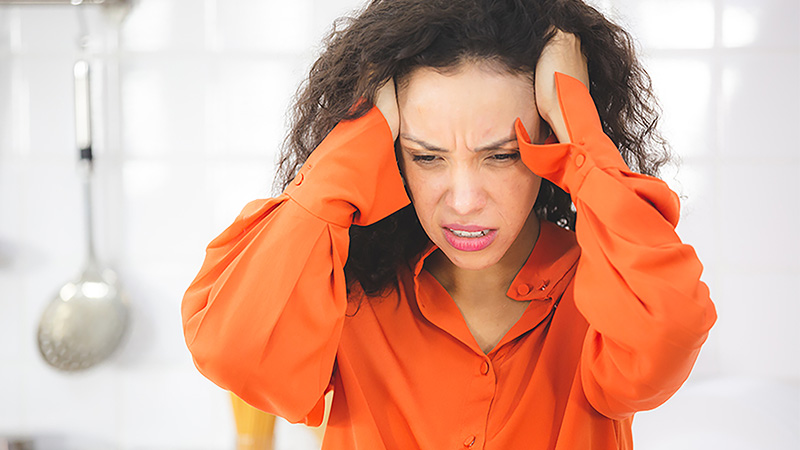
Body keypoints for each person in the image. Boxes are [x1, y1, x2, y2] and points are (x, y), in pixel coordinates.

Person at [182, 0, 717, 448]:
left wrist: (584, 138)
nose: (463, 203)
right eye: (427, 157)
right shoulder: (346, 291)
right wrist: (350, 144)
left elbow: (667, 335)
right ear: (390, 151)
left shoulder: (605, 292)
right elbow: (234, 352)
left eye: (502, 155)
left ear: (549, 138)